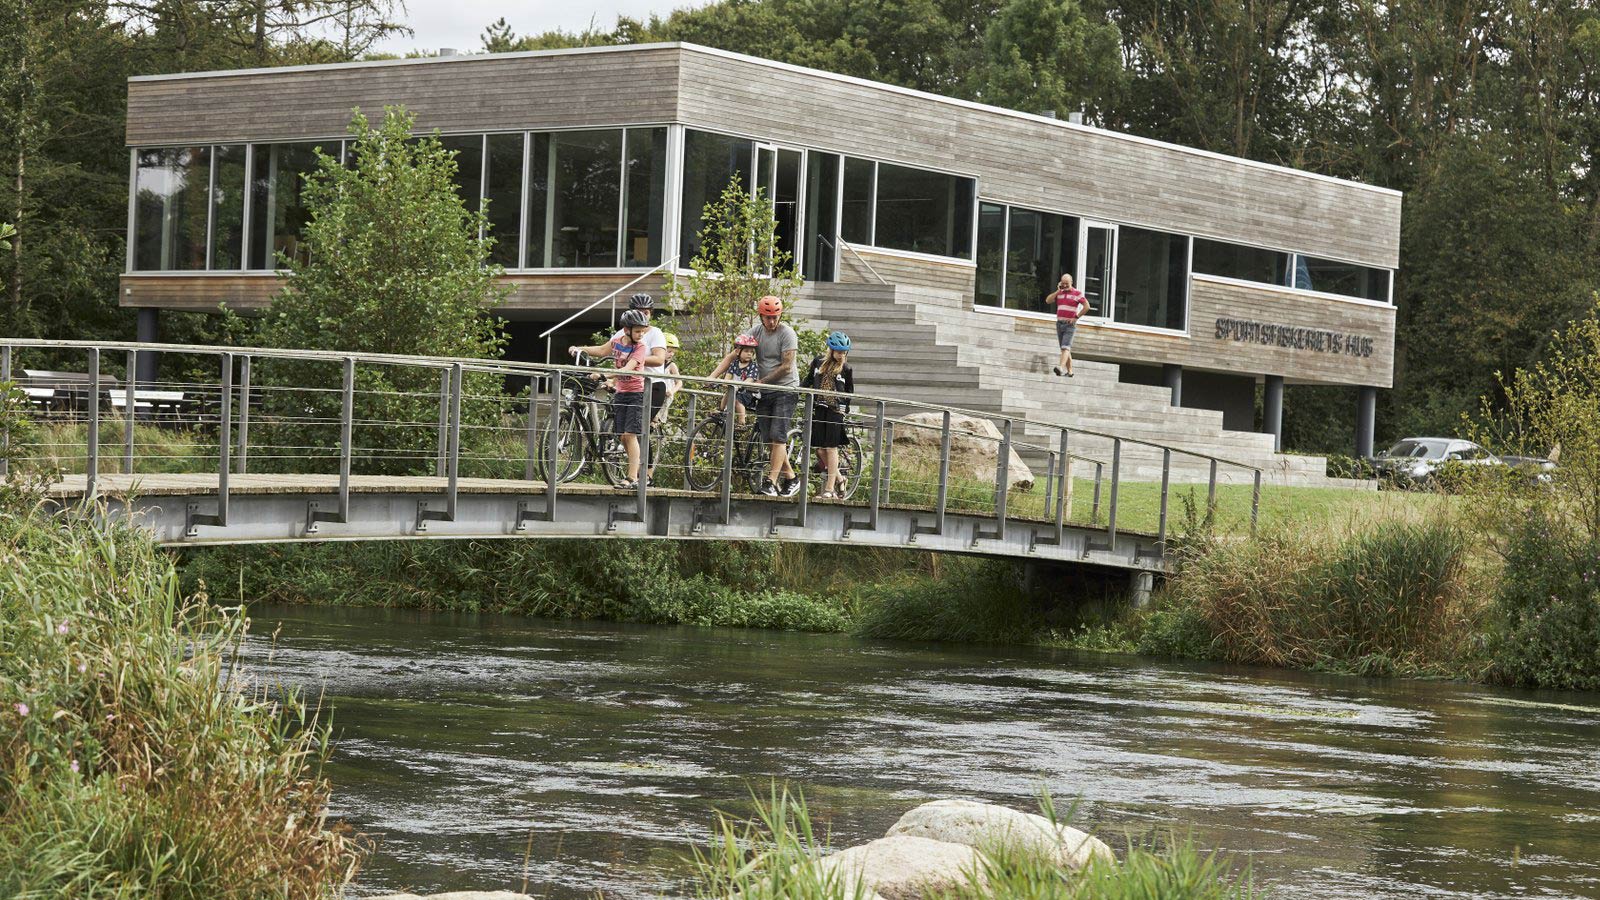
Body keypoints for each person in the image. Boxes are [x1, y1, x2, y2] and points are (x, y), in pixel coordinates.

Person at [709, 295, 799, 496]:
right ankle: (792, 478)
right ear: (760, 316)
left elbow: (786, 366)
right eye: (768, 317)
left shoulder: (787, 334)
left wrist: (761, 382)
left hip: (785, 389)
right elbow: (734, 354)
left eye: (776, 317)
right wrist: (712, 376)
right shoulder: (756, 332)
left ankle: (771, 481)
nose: (772, 321)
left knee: (778, 436)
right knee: (769, 438)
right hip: (764, 390)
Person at [568, 309, 663, 490]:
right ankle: (635, 469)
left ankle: (633, 477)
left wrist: (603, 374)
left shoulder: (640, 348)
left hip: (637, 394)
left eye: (643, 331)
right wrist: (580, 348)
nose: (641, 334)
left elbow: (627, 369)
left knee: (630, 434)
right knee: (622, 437)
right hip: (621, 393)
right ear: (626, 330)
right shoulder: (618, 342)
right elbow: (602, 350)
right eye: (637, 331)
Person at [801, 331, 855, 499]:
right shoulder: (818, 362)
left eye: (844, 352)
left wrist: (844, 409)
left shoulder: (846, 369)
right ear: (831, 350)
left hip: (835, 411)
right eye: (838, 352)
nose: (841, 355)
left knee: (831, 449)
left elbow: (850, 392)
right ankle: (840, 479)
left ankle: (829, 489)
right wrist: (795, 391)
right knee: (819, 450)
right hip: (820, 408)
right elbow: (809, 380)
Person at [1046, 274, 1087, 377]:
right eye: (1063, 283)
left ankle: (1060, 367)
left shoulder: (1077, 293)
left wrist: (1076, 317)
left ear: (1071, 282)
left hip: (1070, 324)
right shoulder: (1060, 293)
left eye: (1067, 284)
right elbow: (1048, 300)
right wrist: (1058, 291)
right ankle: (1070, 372)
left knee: (1065, 347)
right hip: (1059, 323)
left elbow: (1087, 306)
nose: (1064, 285)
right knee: (1064, 348)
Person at [717, 333, 762, 426]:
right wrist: (724, 383)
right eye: (746, 351)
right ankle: (720, 411)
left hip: (749, 392)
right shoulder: (734, 364)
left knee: (738, 400)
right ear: (738, 352)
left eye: (751, 352)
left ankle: (742, 422)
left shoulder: (753, 366)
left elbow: (750, 379)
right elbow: (728, 375)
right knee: (727, 394)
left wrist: (739, 385)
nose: (749, 354)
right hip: (736, 389)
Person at [655, 332, 683, 424]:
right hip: (654, 392)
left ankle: (653, 427)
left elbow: (679, 382)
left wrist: (672, 391)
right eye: (669, 351)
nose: (671, 354)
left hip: (665, 395)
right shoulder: (654, 362)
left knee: (656, 417)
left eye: (673, 352)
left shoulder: (671, 365)